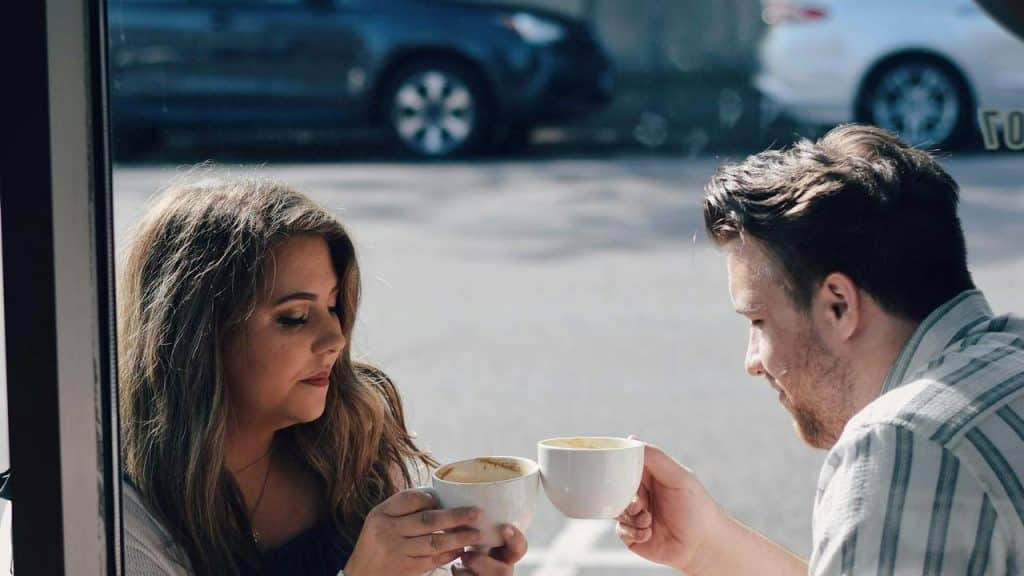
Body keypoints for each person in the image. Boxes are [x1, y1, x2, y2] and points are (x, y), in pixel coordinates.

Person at [617, 125, 1024, 575]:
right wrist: (707, 546)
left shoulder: (908, 443)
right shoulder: (1009, 361)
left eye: (758, 321)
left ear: (838, 305)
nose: (752, 362)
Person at [119, 175, 527, 576]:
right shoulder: (123, 517)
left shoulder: (352, 440)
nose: (335, 337)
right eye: (294, 318)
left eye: (333, 307)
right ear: (198, 335)